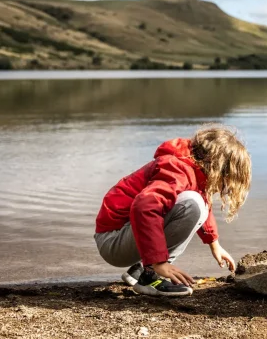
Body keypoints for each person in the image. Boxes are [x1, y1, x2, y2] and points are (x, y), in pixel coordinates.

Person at [94, 124, 251, 296]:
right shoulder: (177, 169)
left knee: (198, 202)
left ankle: (139, 270)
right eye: (227, 177)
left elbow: (203, 209)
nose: (226, 184)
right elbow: (144, 207)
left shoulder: (190, 168)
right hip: (113, 241)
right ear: (217, 166)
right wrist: (160, 263)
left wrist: (214, 244)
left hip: (123, 236)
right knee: (193, 203)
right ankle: (150, 276)